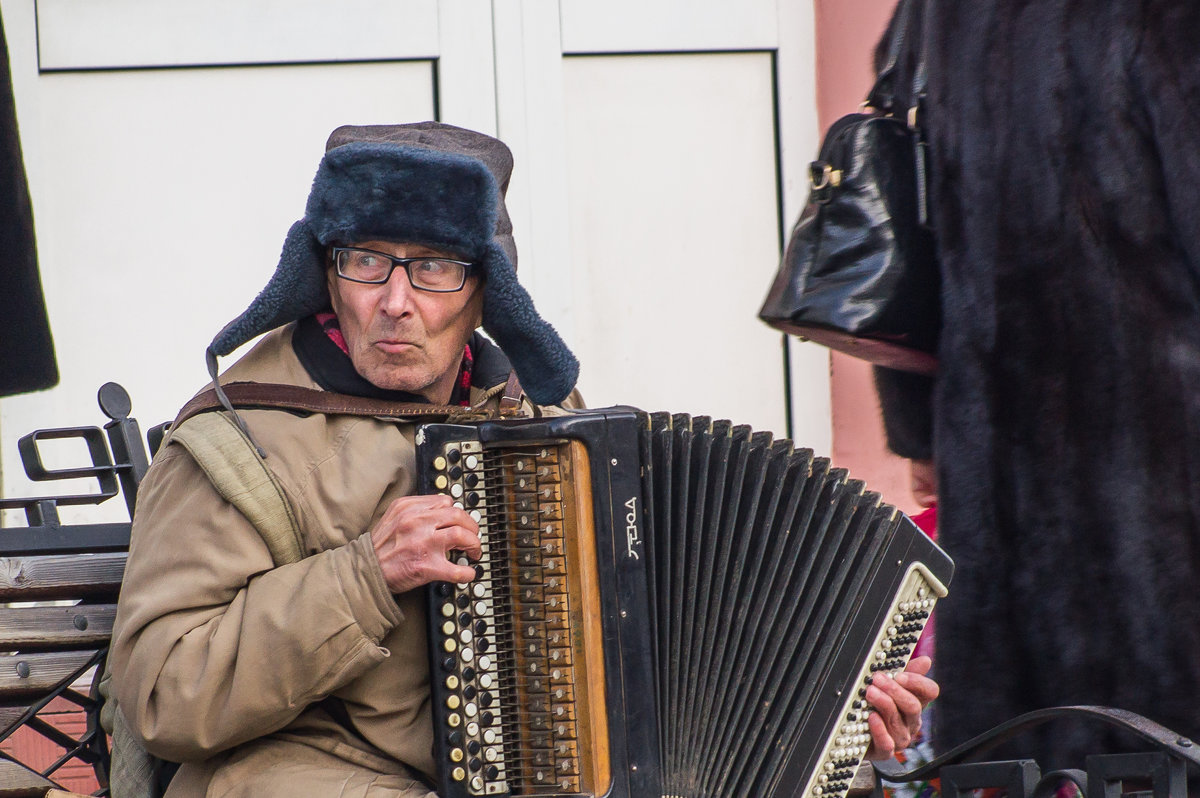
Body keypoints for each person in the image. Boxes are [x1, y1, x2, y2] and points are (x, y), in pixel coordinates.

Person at [110, 122, 937, 797]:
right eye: (365, 262)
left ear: (484, 291)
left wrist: (830, 707)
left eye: (433, 267)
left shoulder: (549, 426)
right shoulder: (235, 441)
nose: (395, 302)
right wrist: (363, 576)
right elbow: (161, 697)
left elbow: (656, 657)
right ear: (326, 274)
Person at [873, 0, 1200, 772]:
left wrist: (920, 428)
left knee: (1028, 751)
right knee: (1162, 738)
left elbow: (900, 214)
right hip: (1160, 453)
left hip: (995, 445)